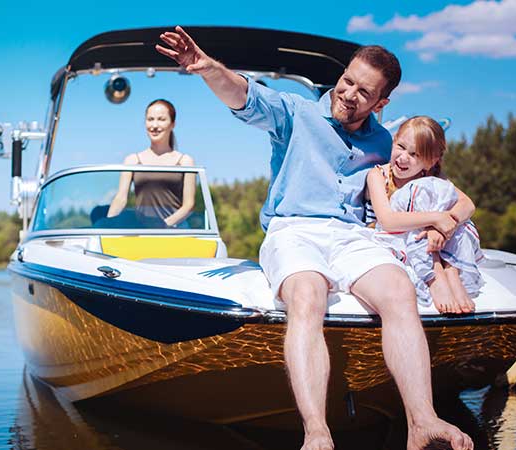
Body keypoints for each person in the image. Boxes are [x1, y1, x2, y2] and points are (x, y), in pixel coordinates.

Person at [156, 26, 474, 450]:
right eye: (347, 81)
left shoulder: (384, 141)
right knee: (307, 295)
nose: (348, 94)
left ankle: (422, 421)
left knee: (399, 290)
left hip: (352, 236)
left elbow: (433, 176)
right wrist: (207, 68)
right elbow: (245, 96)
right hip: (294, 229)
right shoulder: (295, 112)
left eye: (364, 92)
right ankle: (317, 433)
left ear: (381, 102)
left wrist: (446, 219)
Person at [365, 116, 483, 314]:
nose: (403, 158)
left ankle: (451, 271)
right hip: (392, 236)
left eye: (414, 154)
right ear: (394, 141)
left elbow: (467, 204)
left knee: (452, 208)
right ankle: (435, 275)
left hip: (431, 240)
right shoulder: (378, 175)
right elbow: (388, 221)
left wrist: (444, 227)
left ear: (431, 161)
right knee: (423, 197)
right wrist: (436, 220)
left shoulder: (432, 178)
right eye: (401, 147)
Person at [106, 99, 196, 228]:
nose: (154, 125)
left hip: (176, 230)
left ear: (172, 124)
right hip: (142, 230)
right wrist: (108, 226)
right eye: (150, 119)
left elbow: (189, 205)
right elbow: (120, 198)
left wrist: (163, 225)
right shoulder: (132, 160)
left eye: (161, 119)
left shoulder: (185, 161)